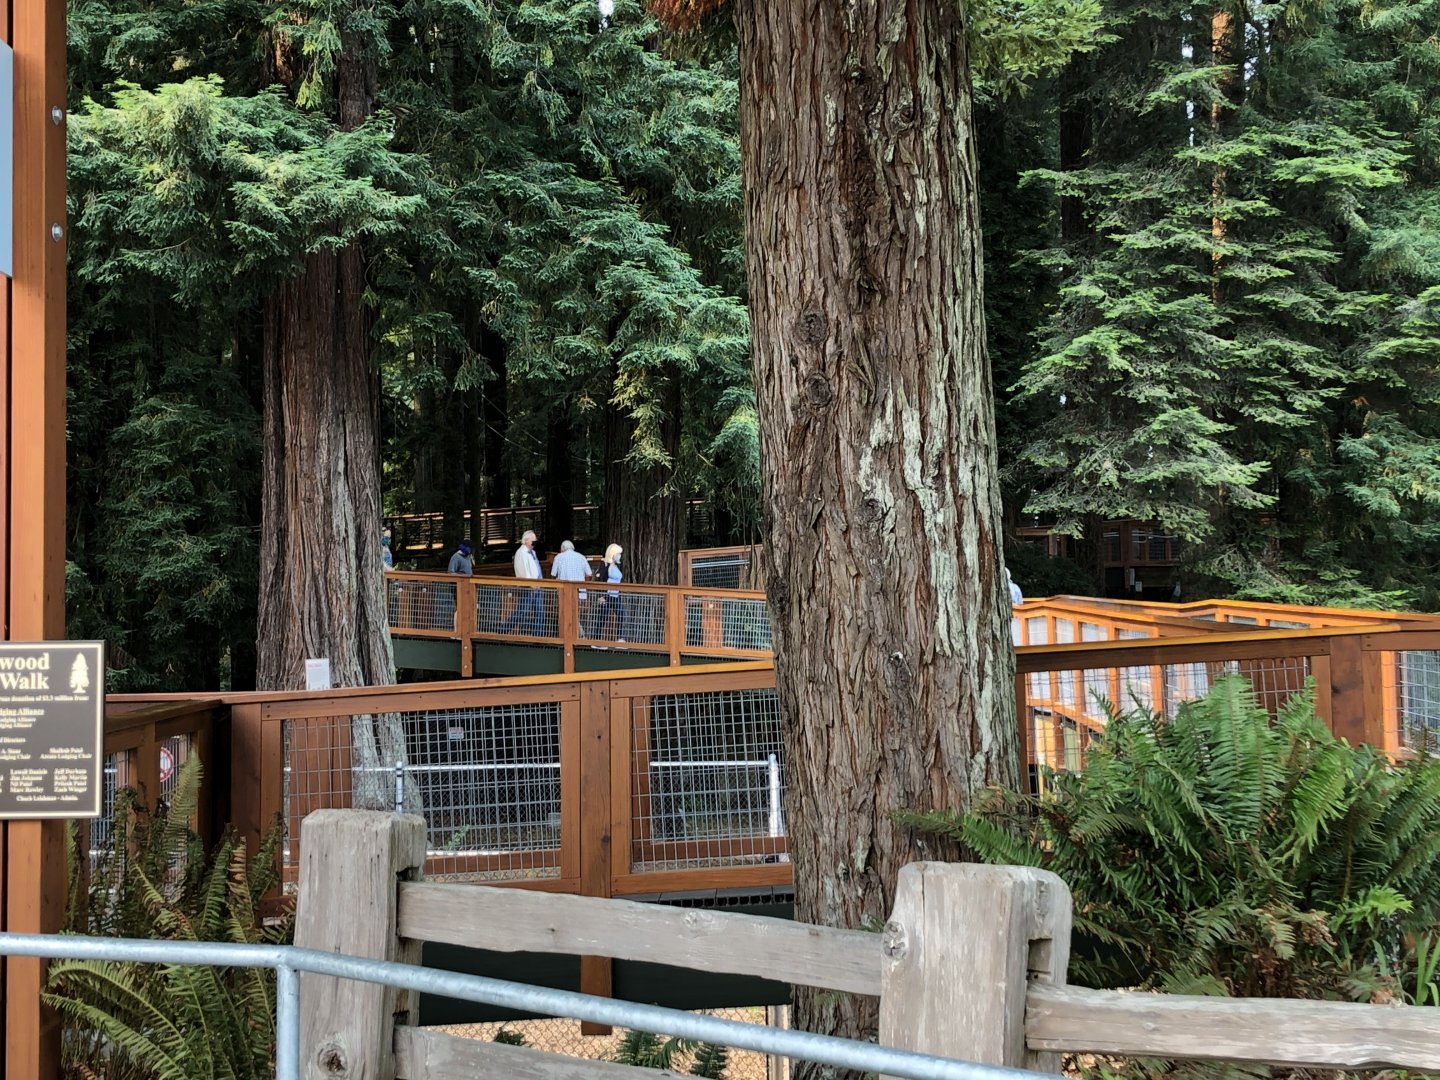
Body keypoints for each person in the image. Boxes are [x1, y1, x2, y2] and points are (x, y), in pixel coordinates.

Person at [500, 531, 545, 635]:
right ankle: (503, 629)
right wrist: (530, 583)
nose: (534, 542)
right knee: (522, 611)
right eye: (532, 540)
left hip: (538, 585)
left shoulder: (532, 552)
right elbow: (523, 570)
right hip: (529, 586)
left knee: (540, 611)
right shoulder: (521, 552)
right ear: (525, 540)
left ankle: (538, 634)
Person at [597, 543, 627, 643]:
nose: (620, 556)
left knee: (621, 614)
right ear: (613, 554)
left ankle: (619, 637)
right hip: (607, 595)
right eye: (618, 553)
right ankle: (596, 639)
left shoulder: (616, 566)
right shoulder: (605, 564)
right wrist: (601, 595)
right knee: (602, 617)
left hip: (615, 595)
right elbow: (601, 579)